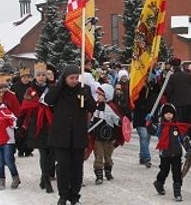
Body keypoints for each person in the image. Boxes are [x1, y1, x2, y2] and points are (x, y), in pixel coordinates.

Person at [44, 65, 96, 205]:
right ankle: (63, 195)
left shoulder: (84, 88)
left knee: (77, 168)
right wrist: (59, 86)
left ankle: (74, 196)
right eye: (71, 78)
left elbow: (92, 107)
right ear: (65, 77)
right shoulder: (57, 89)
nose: (74, 80)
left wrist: (87, 97)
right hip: (60, 136)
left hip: (78, 135)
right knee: (63, 166)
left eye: (76, 77)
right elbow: (48, 101)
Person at [20, 62, 55, 193]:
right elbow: (25, 106)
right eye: (39, 75)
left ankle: (43, 176)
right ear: (35, 77)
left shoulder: (52, 88)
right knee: (43, 153)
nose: (41, 77)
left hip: (51, 123)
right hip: (37, 124)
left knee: (53, 153)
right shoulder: (30, 90)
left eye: (43, 75)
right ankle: (46, 180)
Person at [150, 103, 191, 202]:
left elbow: (184, 139)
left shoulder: (177, 126)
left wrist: (188, 149)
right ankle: (159, 183)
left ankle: (177, 192)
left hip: (176, 154)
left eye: (171, 113)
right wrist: (149, 122)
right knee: (164, 171)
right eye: (166, 113)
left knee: (177, 173)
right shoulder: (160, 127)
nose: (169, 115)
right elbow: (151, 130)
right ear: (162, 115)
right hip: (165, 154)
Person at [91, 84, 124, 185]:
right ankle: (99, 176)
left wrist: (122, 123)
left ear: (107, 95)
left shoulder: (111, 108)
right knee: (98, 157)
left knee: (108, 157)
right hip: (98, 138)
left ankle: (108, 172)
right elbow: (92, 120)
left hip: (109, 138)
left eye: (101, 95)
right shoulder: (95, 106)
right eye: (98, 94)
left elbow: (117, 121)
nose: (99, 97)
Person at [165, 57, 191, 139]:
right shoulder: (188, 75)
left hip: (178, 102)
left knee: (180, 119)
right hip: (189, 101)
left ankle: (182, 134)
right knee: (189, 118)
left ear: (173, 67)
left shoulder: (172, 77)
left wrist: (170, 98)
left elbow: (169, 90)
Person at [132, 72, 160, 168]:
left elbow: (158, 93)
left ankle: (142, 156)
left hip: (149, 116)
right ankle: (147, 158)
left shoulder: (153, 88)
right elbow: (135, 102)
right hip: (140, 116)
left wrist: (152, 86)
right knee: (144, 137)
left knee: (146, 138)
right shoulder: (137, 89)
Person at [11, 67, 34, 157]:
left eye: (27, 77)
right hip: (19, 111)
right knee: (20, 131)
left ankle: (28, 149)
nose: (26, 79)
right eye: (24, 77)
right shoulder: (15, 86)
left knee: (30, 131)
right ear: (21, 77)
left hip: (30, 112)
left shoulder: (32, 86)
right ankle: (20, 149)